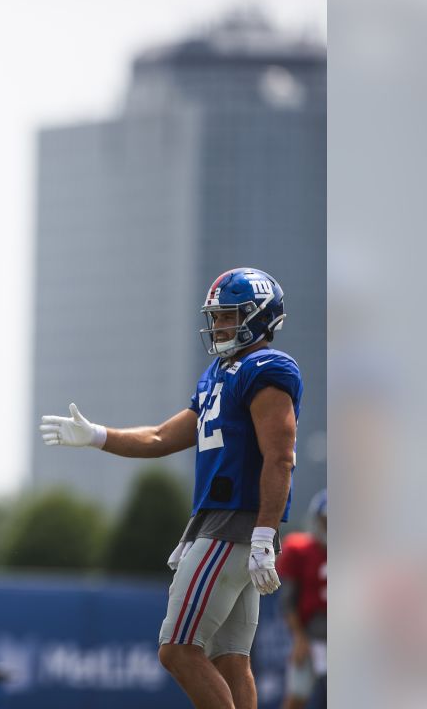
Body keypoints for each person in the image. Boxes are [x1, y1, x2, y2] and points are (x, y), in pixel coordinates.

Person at [39, 267, 302, 709]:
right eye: (216, 316)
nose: (218, 325)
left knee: (177, 649)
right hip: (224, 524)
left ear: (259, 316)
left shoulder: (267, 368)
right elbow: (162, 437)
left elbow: (280, 456)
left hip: (234, 525)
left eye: (229, 316)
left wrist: (262, 534)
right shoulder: (220, 373)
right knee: (231, 661)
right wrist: (98, 435)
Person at [278, 489, 327, 709]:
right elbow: (288, 601)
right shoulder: (301, 550)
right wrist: (299, 637)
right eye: (326, 521)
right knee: (297, 697)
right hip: (310, 637)